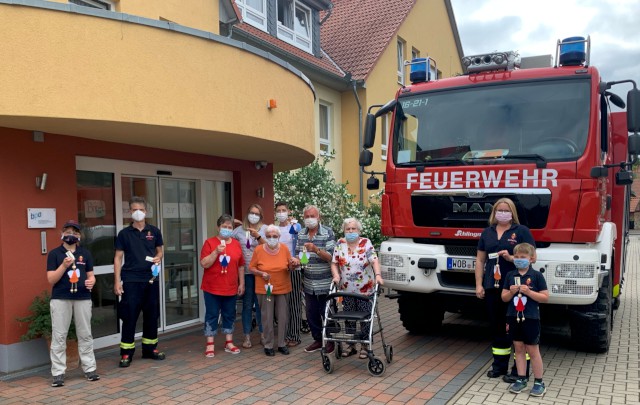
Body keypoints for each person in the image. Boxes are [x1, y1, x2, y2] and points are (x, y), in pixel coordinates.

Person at [475, 197, 535, 382]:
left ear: (512, 213)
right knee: (497, 327)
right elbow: (480, 260)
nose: (502, 213)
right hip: (492, 287)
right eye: (499, 210)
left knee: (517, 328)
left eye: (506, 210)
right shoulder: (487, 233)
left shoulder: (522, 231)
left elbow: (532, 258)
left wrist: (511, 259)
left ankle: (519, 370)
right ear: (494, 213)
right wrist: (478, 284)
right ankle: (499, 367)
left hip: (515, 287)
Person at [114, 196, 165, 368]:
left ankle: (150, 349)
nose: (138, 213)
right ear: (130, 212)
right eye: (134, 209)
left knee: (151, 315)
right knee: (129, 316)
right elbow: (117, 258)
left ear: (146, 211)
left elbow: (160, 251)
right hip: (131, 280)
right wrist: (117, 282)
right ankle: (126, 352)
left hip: (150, 279)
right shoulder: (124, 234)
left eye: (141, 210)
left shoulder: (154, 231)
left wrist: (158, 258)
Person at [47, 220, 99, 387]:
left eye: (75, 232)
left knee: (85, 334)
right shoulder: (55, 254)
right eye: (68, 231)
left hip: (83, 298)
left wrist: (92, 281)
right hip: (60, 298)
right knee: (59, 336)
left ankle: (90, 368)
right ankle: (58, 373)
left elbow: (91, 275)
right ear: (62, 234)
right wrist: (63, 266)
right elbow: (51, 279)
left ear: (79, 236)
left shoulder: (85, 253)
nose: (72, 235)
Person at [330, 218, 383, 359]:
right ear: (344, 231)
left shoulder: (366, 243)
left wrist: (378, 275)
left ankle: (365, 345)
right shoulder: (340, 244)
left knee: (365, 318)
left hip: (365, 290)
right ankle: (351, 344)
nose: (351, 231)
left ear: (358, 230)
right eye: (348, 229)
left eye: (353, 229)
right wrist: (336, 276)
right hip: (346, 290)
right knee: (349, 318)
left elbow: (374, 260)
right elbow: (334, 263)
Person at [501, 243, 548, 396]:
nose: (520, 260)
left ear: (531, 259)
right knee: (518, 348)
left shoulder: (536, 276)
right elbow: (504, 297)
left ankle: (539, 382)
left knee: (533, 350)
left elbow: (545, 297)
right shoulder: (510, 275)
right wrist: (511, 292)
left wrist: (529, 293)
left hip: (530, 317)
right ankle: (521, 379)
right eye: (517, 257)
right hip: (513, 317)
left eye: (523, 257)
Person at [290, 205, 336, 353]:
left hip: (325, 282)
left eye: (312, 216)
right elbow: (301, 257)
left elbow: (331, 257)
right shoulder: (302, 234)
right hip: (309, 282)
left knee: (327, 312)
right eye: (307, 216)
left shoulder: (327, 232)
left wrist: (315, 249)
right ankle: (317, 340)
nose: (309, 219)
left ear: (319, 217)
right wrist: (296, 261)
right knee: (311, 314)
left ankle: (330, 341)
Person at [200, 214, 245, 357]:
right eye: (224, 226)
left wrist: (242, 283)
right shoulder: (209, 242)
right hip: (212, 287)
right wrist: (215, 252)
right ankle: (210, 344)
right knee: (212, 315)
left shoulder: (236, 244)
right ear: (218, 227)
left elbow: (241, 266)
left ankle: (229, 342)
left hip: (230, 287)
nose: (226, 229)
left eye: (229, 227)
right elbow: (204, 263)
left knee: (229, 315)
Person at [249, 225, 297, 356]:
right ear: (265, 236)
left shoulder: (285, 249)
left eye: (275, 236)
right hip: (265, 289)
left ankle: (281, 344)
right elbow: (251, 267)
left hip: (282, 287)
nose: (272, 238)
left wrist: (294, 264)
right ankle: (268, 344)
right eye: (269, 236)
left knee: (283, 316)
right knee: (267, 317)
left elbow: (289, 267)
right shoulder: (259, 250)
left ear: (279, 237)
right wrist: (260, 273)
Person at [232, 204, 267, 349]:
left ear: (261, 216)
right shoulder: (238, 231)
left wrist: (257, 236)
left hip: (260, 273)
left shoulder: (265, 229)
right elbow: (229, 242)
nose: (254, 215)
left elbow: (270, 246)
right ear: (247, 214)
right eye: (251, 213)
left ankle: (263, 334)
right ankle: (247, 336)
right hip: (245, 273)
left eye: (257, 213)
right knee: (247, 305)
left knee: (261, 305)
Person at [274, 201, 303, 347]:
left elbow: (301, 245)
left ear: (289, 211)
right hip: (279, 270)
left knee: (295, 303)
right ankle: (283, 335)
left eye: (283, 210)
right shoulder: (274, 229)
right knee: (281, 305)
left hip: (294, 269)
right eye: (278, 210)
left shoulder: (296, 227)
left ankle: (295, 335)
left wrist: (298, 261)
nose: (281, 213)